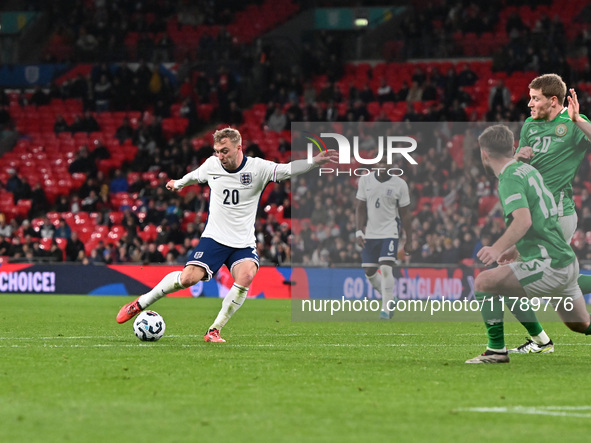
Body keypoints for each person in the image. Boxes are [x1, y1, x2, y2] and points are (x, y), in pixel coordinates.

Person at [116, 127, 338, 342]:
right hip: (215, 237)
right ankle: (140, 303)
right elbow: (195, 176)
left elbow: (287, 169)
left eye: (225, 151)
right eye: (217, 151)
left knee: (247, 275)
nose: (220, 156)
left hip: (242, 241)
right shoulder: (212, 165)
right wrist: (179, 183)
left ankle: (214, 330)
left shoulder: (257, 168)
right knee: (187, 279)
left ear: (239, 147)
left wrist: (314, 162)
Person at [466, 124, 591, 364]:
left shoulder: (509, 179)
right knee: (579, 324)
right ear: (512, 147)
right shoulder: (527, 170)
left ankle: (496, 351)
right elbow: (544, 218)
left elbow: (523, 220)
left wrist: (497, 248)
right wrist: (517, 247)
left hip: (549, 263)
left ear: (484, 153)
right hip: (563, 259)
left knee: (485, 282)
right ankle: (539, 340)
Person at [509, 74, 591, 353]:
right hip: (534, 214)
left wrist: (580, 122)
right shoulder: (530, 125)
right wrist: (517, 157)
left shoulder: (573, 123)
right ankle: (541, 341)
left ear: (553, 100)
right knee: (575, 320)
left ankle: (540, 341)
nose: (529, 103)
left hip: (556, 214)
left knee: (506, 282)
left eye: (535, 98)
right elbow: (519, 161)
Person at [355, 157, 413, 319]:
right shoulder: (365, 180)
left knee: (386, 268)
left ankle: (386, 309)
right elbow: (359, 208)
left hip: (390, 231)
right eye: (379, 163)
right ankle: (390, 298)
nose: (382, 166)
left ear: (391, 165)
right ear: (375, 165)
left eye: (385, 163)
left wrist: (409, 239)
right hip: (371, 232)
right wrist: (359, 231)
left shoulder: (400, 184)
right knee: (369, 271)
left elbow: (406, 214)